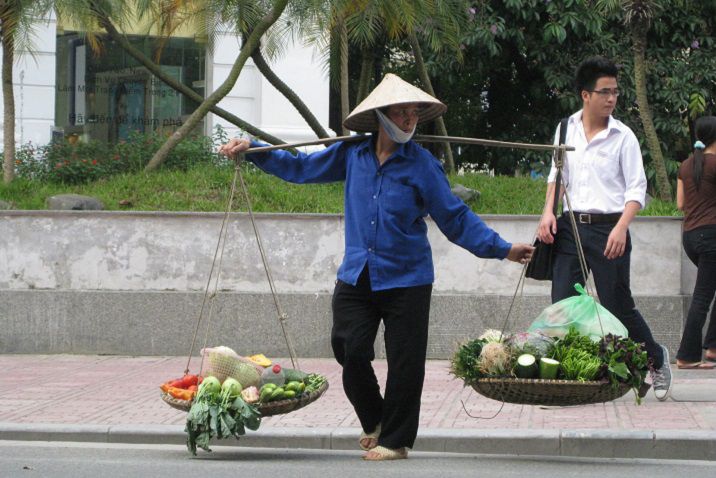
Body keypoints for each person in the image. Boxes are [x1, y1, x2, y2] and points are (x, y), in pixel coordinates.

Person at [219, 73, 534, 460]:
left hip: (408, 279)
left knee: (405, 363)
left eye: (413, 113)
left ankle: (395, 440)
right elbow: (300, 168)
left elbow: (455, 218)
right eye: (400, 113)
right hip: (357, 274)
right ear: (381, 117)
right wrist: (255, 149)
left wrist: (502, 249)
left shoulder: (423, 166)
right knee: (348, 347)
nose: (408, 120)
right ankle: (376, 419)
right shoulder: (352, 154)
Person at [536, 56, 673, 400]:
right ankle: (570, 381)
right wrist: (547, 213)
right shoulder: (565, 129)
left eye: (615, 92)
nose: (611, 99)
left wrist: (622, 228)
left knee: (617, 305)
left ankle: (656, 359)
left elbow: (636, 189)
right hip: (569, 229)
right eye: (605, 92)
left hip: (610, 228)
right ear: (585, 94)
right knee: (564, 304)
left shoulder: (623, 136)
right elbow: (556, 176)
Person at [674, 116, 716, 369]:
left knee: (706, 291)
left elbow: (681, 204)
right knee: (702, 296)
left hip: (690, 236)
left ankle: (712, 347)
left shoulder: (685, 166)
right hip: (712, 236)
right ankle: (687, 356)